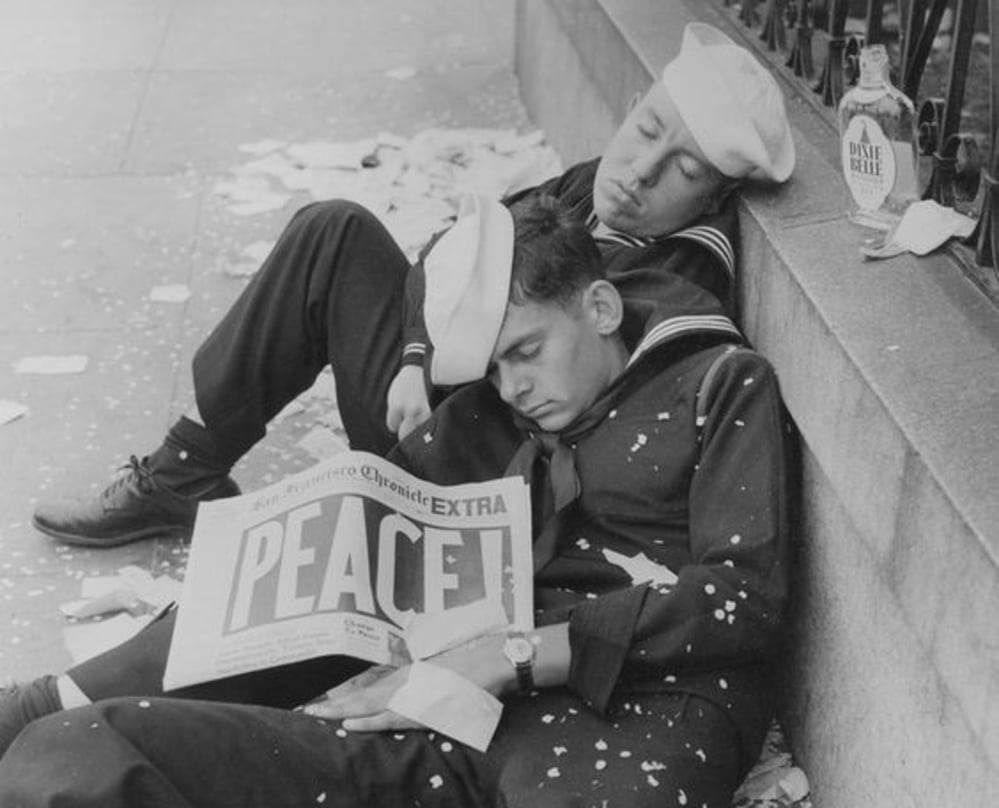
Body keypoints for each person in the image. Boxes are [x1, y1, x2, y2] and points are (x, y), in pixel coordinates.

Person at [1, 191, 791, 808]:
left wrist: (513, 654)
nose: (513, 387)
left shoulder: (717, 384)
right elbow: (371, 524)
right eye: (491, 368)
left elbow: (742, 600)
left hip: (625, 719)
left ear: (600, 305)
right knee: (79, 753)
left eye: (526, 351)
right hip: (446, 726)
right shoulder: (488, 413)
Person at [29, 22, 794, 549]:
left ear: (715, 198)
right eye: (648, 131)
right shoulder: (597, 185)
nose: (641, 171)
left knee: (339, 240)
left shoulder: (678, 271)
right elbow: (459, 243)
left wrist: (433, 373)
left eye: (683, 172)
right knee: (334, 231)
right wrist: (412, 353)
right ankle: (181, 475)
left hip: (472, 471)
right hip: (432, 396)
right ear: (632, 107)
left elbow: (569, 415)